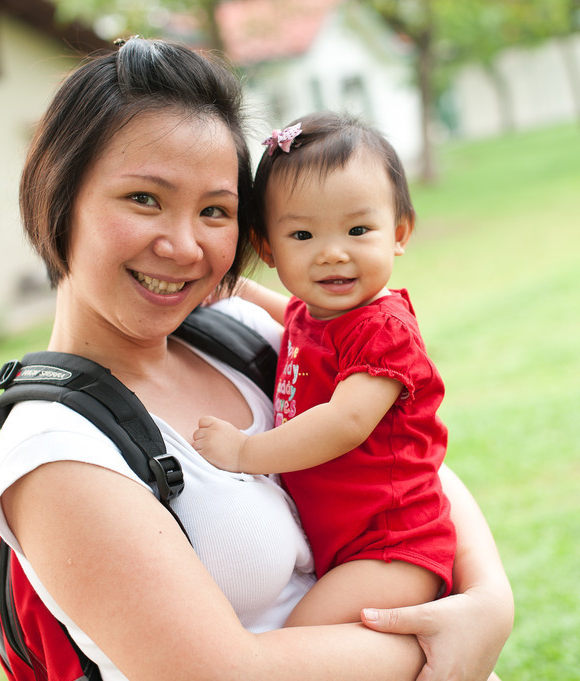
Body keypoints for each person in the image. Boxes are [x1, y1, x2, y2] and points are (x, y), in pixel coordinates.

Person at [0, 36, 513, 681]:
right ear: (59, 197)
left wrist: (490, 599)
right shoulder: (59, 452)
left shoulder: (236, 331)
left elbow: (404, 459)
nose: (185, 246)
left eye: (215, 211)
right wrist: (440, 641)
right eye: (145, 199)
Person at [192, 112, 455, 628]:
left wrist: (247, 452)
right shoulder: (314, 315)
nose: (332, 253)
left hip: (391, 547)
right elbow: (282, 309)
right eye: (303, 234)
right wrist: (230, 286)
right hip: (346, 545)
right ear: (268, 248)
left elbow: (346, 422)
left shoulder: (383, 330)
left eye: (358, 229)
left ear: (398, 232)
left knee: (300, 644)